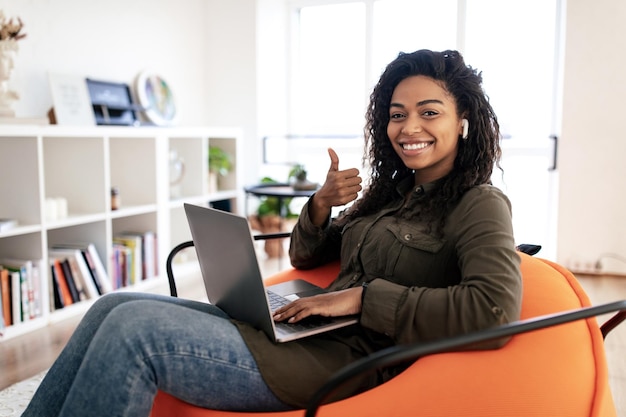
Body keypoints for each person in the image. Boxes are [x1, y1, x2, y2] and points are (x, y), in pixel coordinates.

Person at [22, 49, 521, 416]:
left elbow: (494, 310)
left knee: (135, 334)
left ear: (464, 123)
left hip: (342, 361)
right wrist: (322, 203)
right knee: (112, 306)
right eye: (397, 114)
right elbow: (306, 256)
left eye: (429, 112)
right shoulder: (390, 194)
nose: (409, 126)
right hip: (305, 332)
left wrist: (360, 300)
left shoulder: (479, 204)